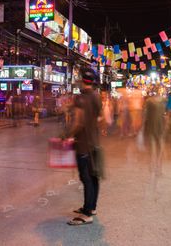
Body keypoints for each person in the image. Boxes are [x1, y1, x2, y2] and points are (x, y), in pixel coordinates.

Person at [67, 66, 102, 226]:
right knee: (93, 177)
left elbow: (78, 122)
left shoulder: (80, 98)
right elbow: (103, 118)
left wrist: (66, 136)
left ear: (82, 80)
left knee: (86, 178)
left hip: (83, 145)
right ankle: (91, 207)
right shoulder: (96, 97)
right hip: (94, 143)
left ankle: (87, 214)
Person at [142, 86, 167, 177]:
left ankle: (157, 168)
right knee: (155, 149)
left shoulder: (162, 100)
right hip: (152, 127)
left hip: (158, 127)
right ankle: (155, 167)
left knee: (159, 149)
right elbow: (145, 114)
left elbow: (166, 114)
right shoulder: (150, 101)